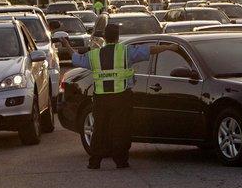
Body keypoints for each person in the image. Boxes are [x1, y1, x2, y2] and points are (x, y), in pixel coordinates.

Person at [60, 23, 179, 170]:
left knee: (99, 129)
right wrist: (169, 48)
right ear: (117, 37)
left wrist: (66, 44)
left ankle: (95, 161)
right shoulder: (125, 52)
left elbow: (76, 58)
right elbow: (149, 50)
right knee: (121, 129)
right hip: (121, 97)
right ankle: (121, 161)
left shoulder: (95, 55)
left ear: (104, 37)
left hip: (101, 99)